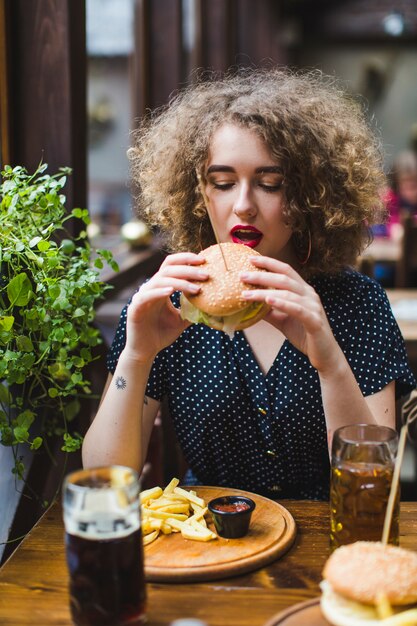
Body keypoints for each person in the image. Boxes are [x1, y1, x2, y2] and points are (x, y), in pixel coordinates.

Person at [82, 67, 416, 500]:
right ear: (200, 194)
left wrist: (329, 360)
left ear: (308, 194)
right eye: (222, 183)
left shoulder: (357, 302)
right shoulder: (168, 302)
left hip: (329, 538)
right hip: (211, 545)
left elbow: (372, 481)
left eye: (270, 184)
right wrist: (136, 356)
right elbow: (105, 479)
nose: (243, 206)